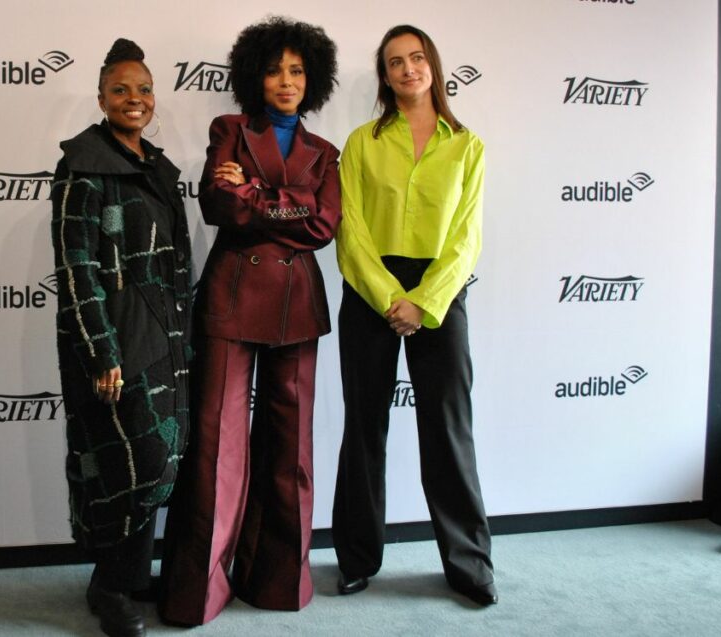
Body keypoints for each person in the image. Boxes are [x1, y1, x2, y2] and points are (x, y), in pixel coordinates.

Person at [159, 16, 340, 626]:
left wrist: (257, 195)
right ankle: (198, 592)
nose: (285, 81)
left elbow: (323, 226)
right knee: (216, 448)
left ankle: (280, 581)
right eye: (273, 69)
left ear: (311, 78)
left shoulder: (327, 152)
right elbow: (219, 206)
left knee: (291, 451)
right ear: (252, 76)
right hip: (232, 301)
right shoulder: (228, 129)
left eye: (296, 70)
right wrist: (285, 203)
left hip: (297, 305)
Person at [331, 25, 497, 606]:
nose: (408, 68)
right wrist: (387, 298)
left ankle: (469, 564)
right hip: (370, 289)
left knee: (448, 430)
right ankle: (355, 557)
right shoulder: (360, 143)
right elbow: (349, 231)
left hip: (440, 294)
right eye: (396, 61)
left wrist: (423, 301)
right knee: (365, 426)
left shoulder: (468, 145)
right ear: (384, 75)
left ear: (434, 66)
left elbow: (467, 238)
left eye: (417, 57)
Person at [50, 38, 191, 637]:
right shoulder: (82, 167)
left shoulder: (155, 166)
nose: (135, 99)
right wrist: (100, 350)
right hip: (115, 340)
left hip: (166, 336)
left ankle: (125, 577)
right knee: (124, 463)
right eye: (121, 90)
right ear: (101, 97)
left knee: (159, 459)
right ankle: (109, 586)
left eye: (144, 89)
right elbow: (76, 267)